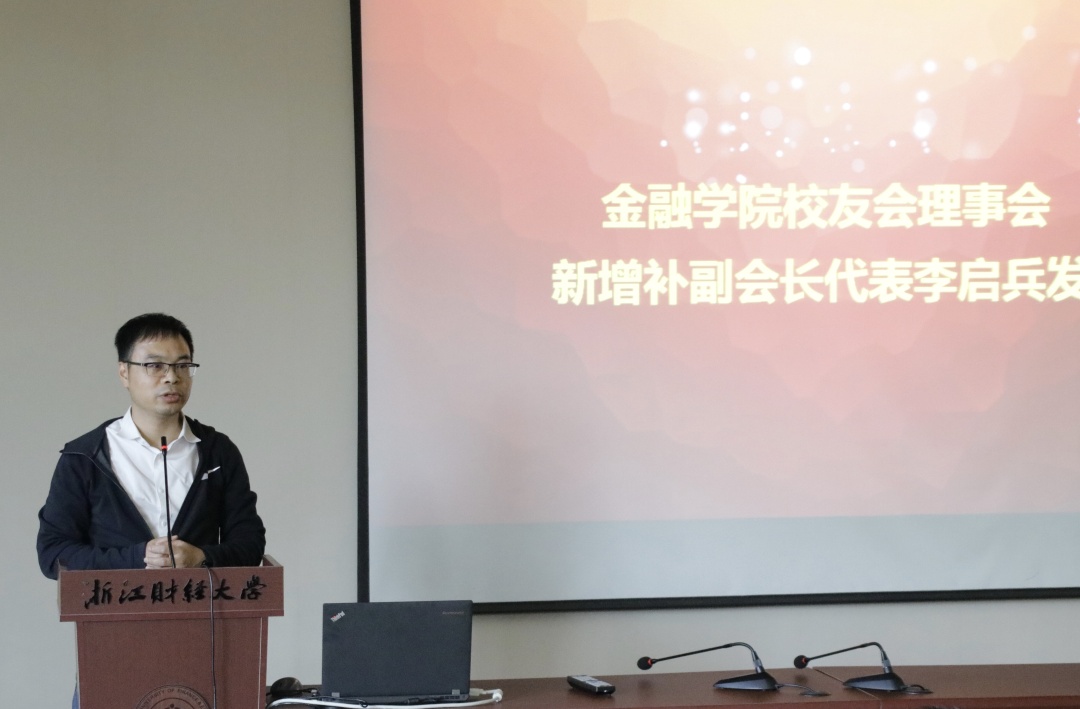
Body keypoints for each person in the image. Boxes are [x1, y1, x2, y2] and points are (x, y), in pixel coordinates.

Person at [37, 312, 266, 577]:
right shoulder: (84, 456)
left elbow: (250, 543)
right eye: (155, 366)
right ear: (124, 373)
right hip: (115, 603)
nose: (172, 377)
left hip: (203, 602)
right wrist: (137, 558)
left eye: (182, 365)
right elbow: (53, 553)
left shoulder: (218, 451)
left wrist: (202, 557)